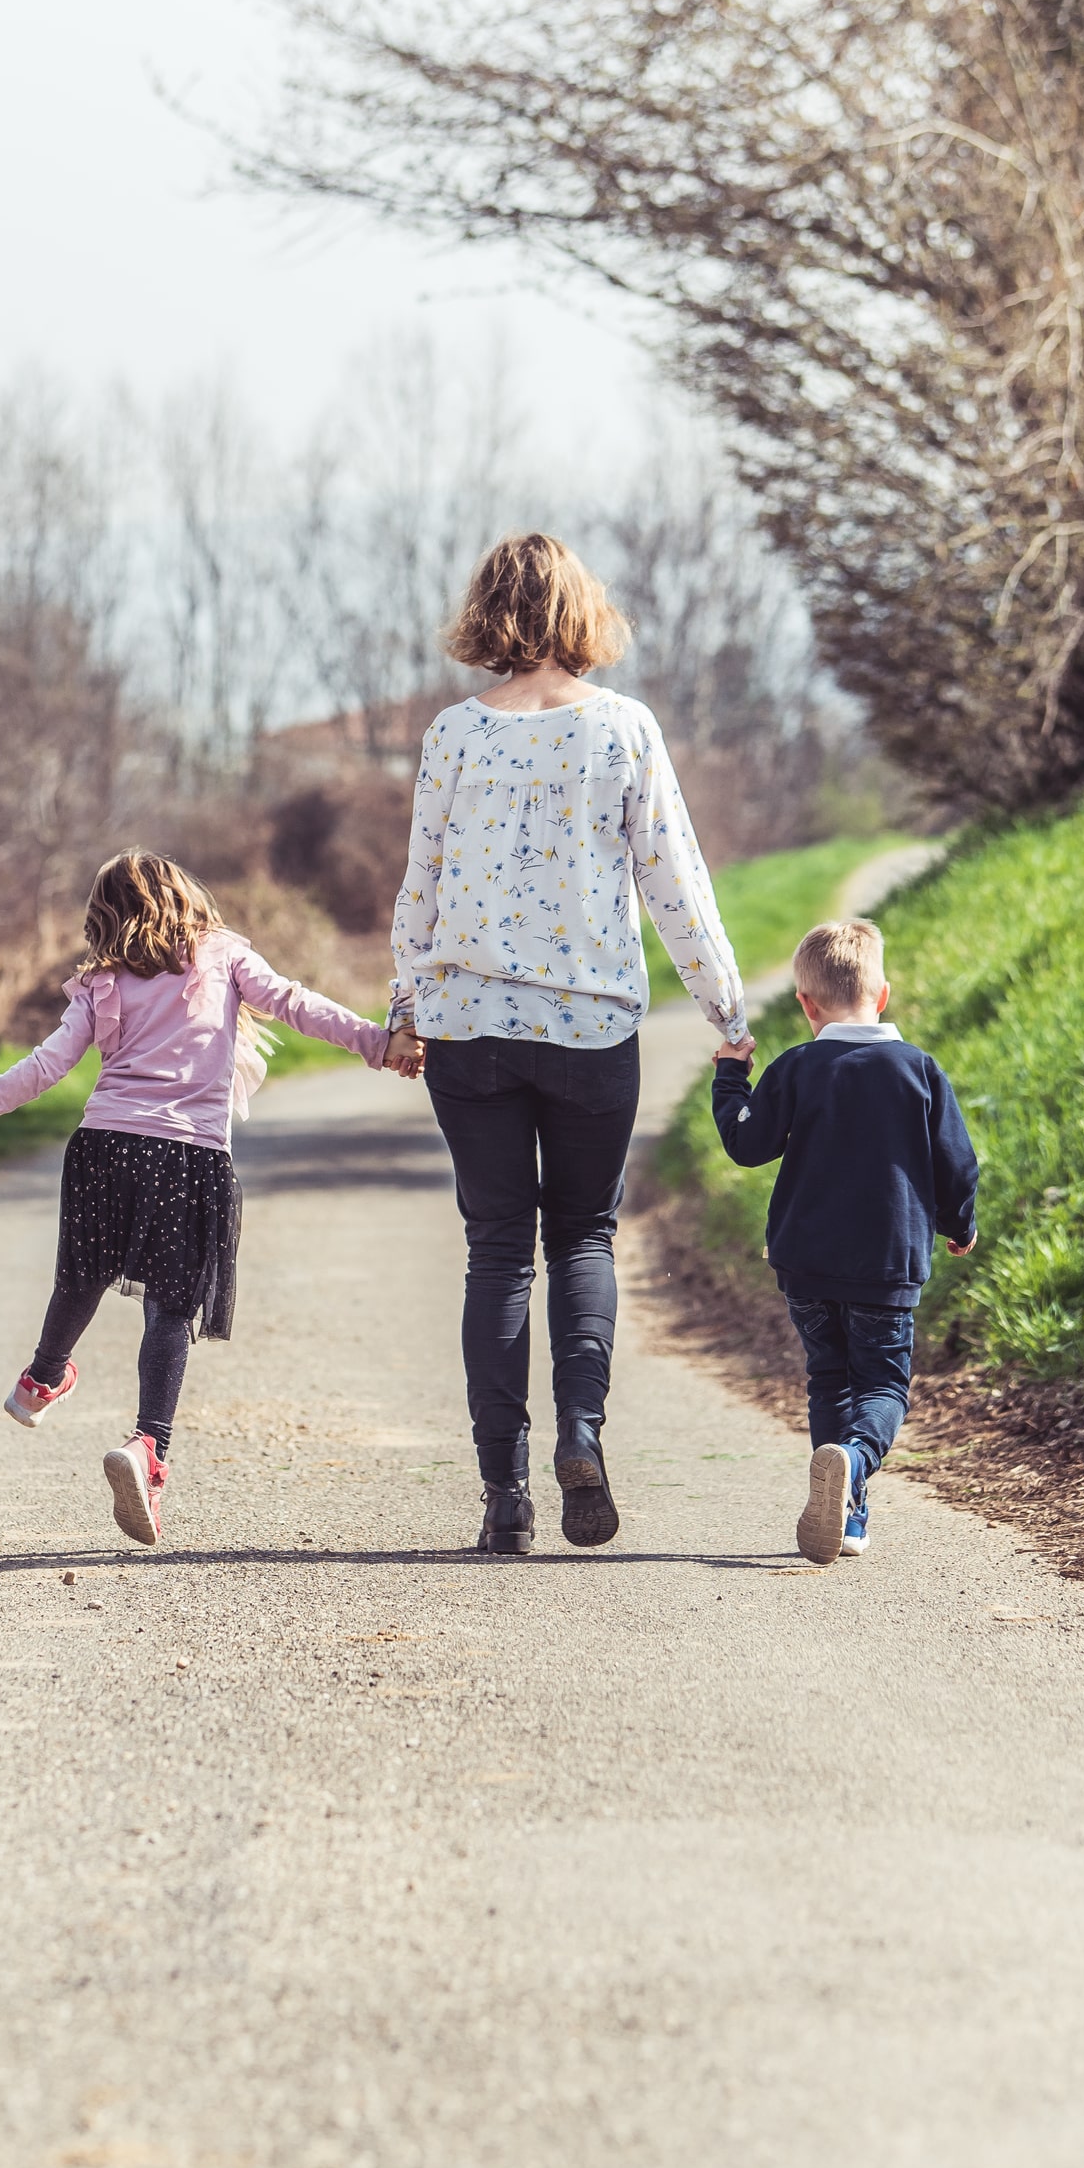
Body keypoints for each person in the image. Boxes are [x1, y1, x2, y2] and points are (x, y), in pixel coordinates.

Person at [387, 530, 754, 1557]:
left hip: (469, 1026)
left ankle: (504, 1493)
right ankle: (581, 1433)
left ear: (488, 613)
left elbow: (420, 883)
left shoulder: (453, 733)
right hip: (590, 1024)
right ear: (581, 615)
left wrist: (401, 1004)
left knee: (497, 1247)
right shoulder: (622, 729)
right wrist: (726, 1008)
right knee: (583, 1235)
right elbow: (674, 881)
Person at [0, 849, 390, 1549]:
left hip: (103, 1147)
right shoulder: (227, 955)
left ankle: (41, 1380)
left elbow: (48, 1064)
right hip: (189, 1154)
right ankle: (148, 1447)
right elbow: (298, 1004)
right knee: (170, 1308)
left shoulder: (99, 982)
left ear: (102, 916)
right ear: (187, 897)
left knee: (80, 1276)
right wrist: (378, 1043)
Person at [710, 917, 978, 1565]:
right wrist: (958, 1223)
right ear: (883, 995)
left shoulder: (797, 1067)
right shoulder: (918, 1069)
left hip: (806, 1262)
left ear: (806, 1004)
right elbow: (956, 1164)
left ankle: (848, 1516)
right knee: (882, 1385)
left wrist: (729, 1077)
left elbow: (747, 1144)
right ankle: (855, 1467)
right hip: (886, 1262)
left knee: (829, 1378)